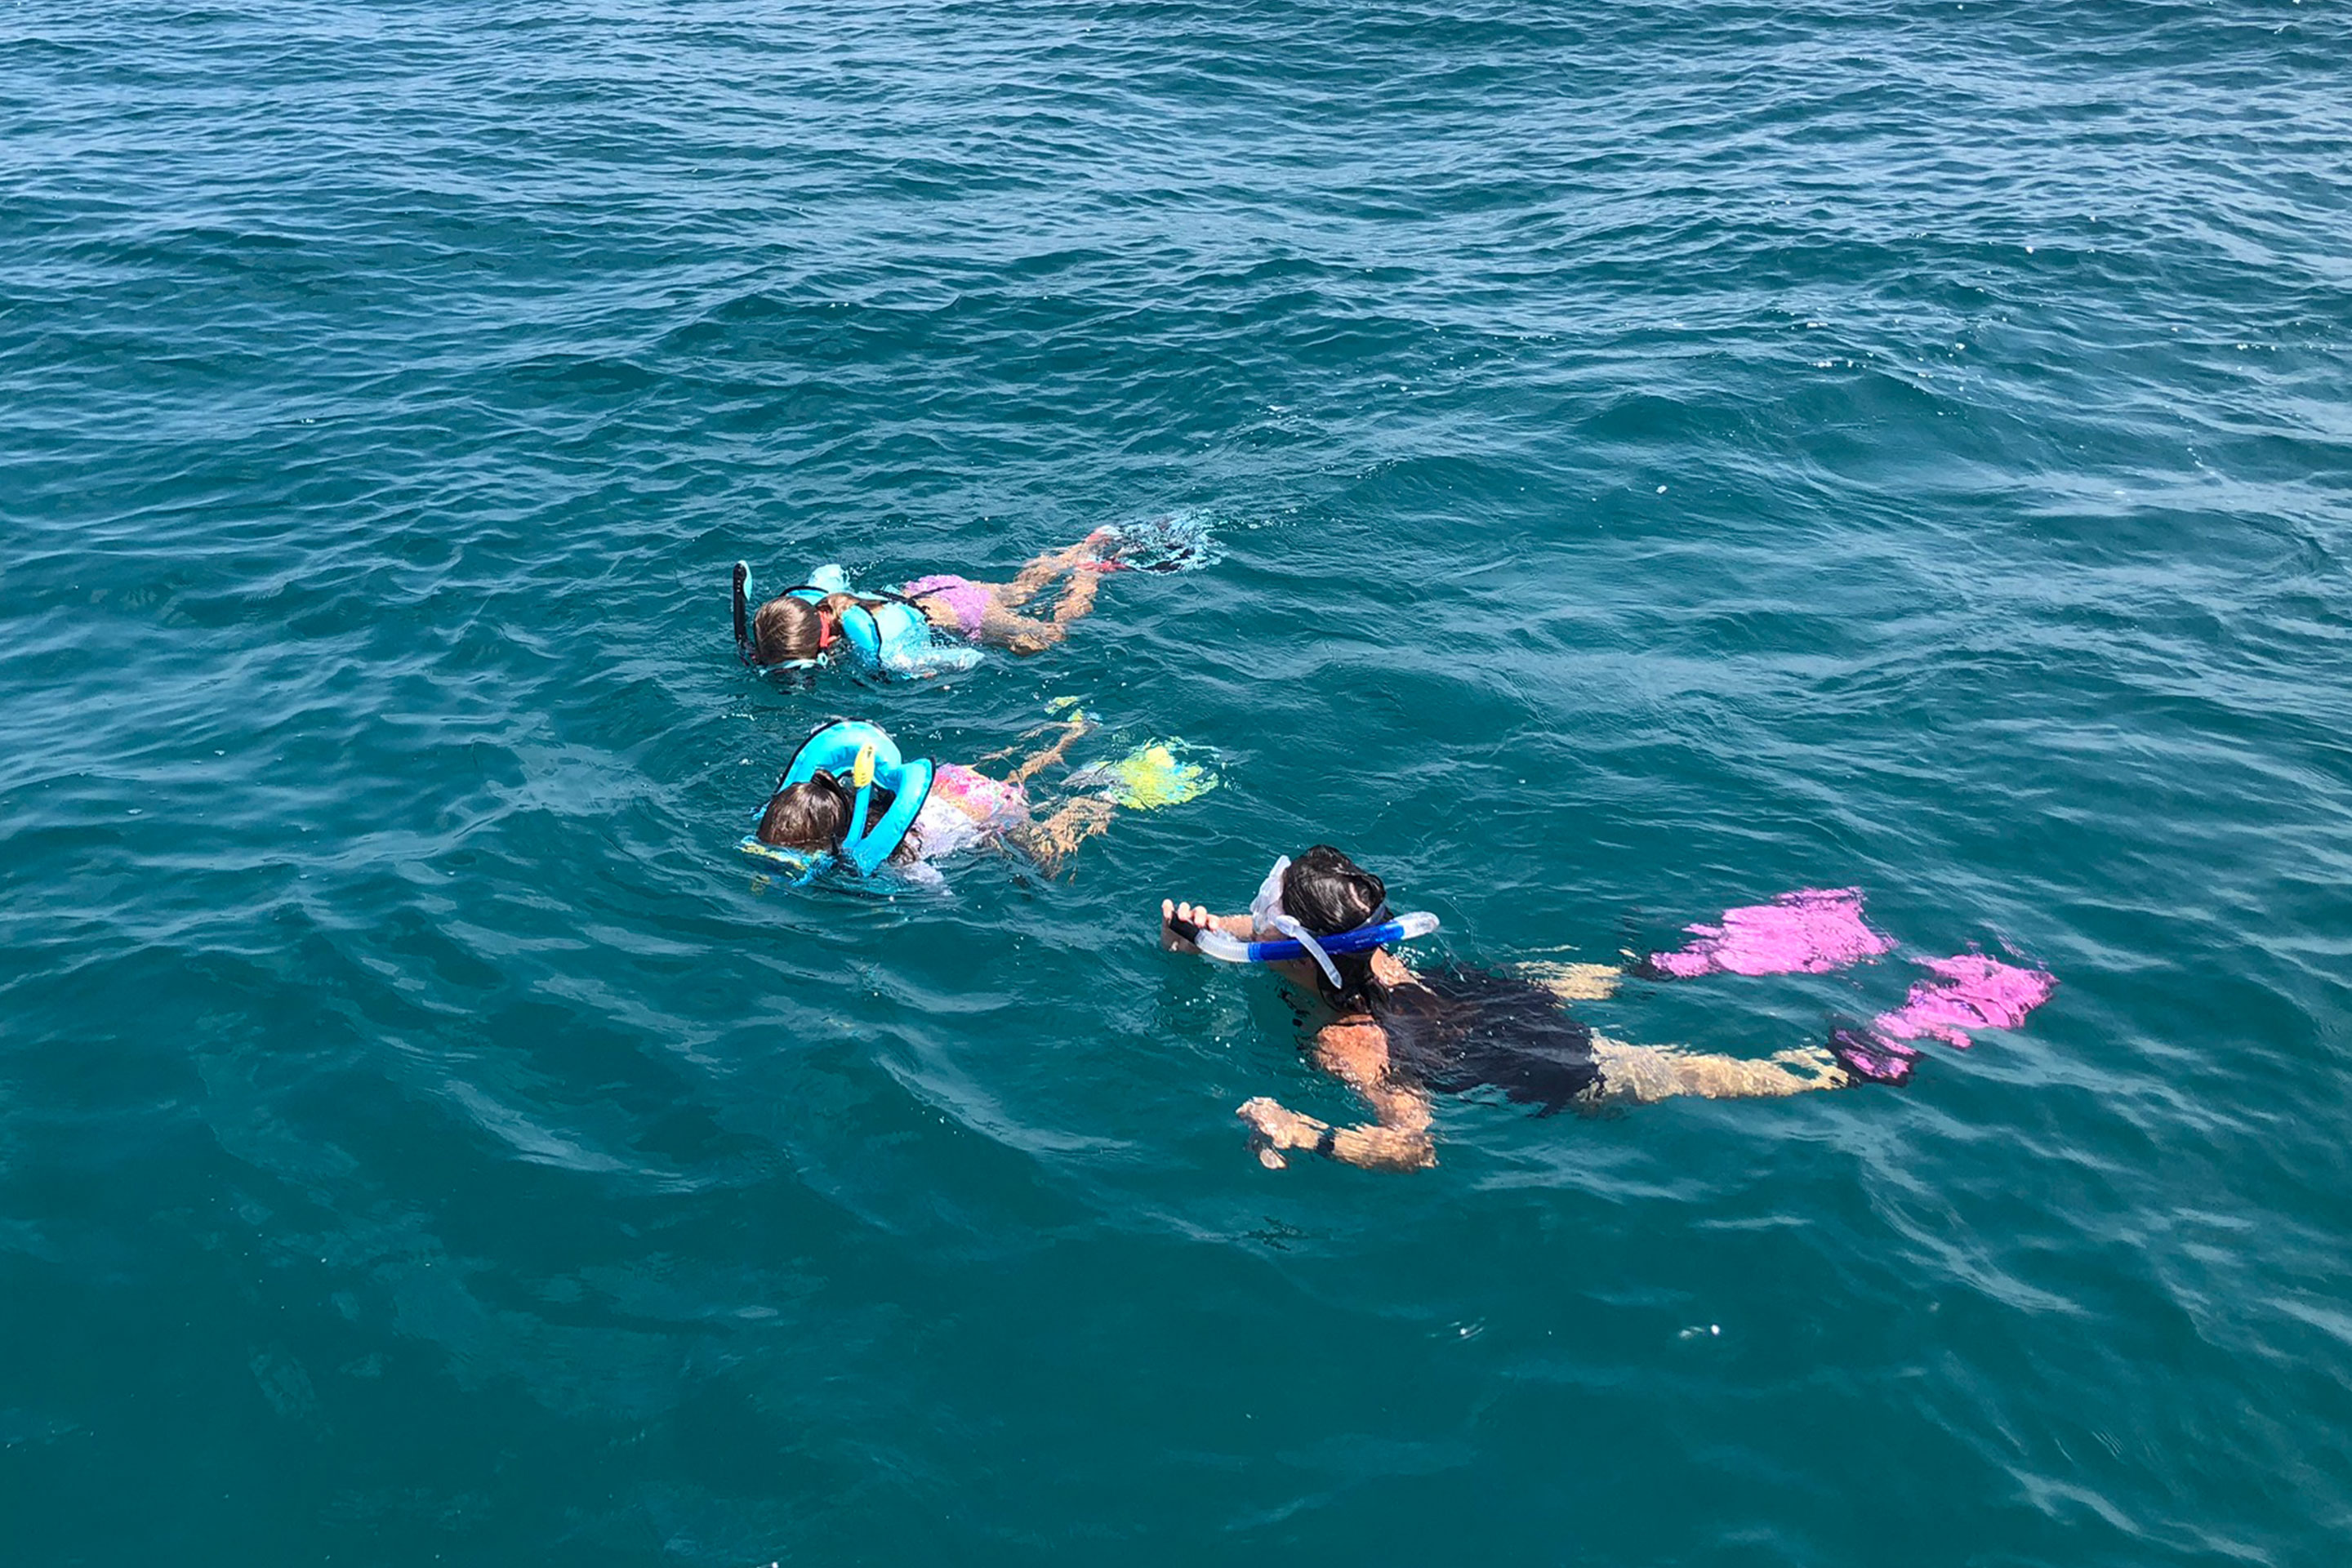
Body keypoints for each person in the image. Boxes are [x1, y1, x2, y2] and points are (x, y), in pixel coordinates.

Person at [1158, 846, 1874, 1173]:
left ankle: (1841, 1075)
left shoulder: (1345, 1043)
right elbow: (1276, 935)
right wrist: (1195, 932)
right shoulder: (1365, 951)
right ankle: (1659, 968)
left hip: (1524, 1062)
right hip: (1476, 994)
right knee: (1566, 987)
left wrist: (1307, 1132)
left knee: (1666, 1074)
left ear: (1293, 948)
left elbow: (1417, 1148)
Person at [753, 714, 1116, 878]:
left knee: (1052, 849)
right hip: (944, 784)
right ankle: (1070, 728)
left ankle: (1109, 788)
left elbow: (935, 889)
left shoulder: (894, 859)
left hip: (981, 814)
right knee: (1023, 770)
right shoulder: (851, 803)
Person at [742, 534, 1118, 669]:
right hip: (933, 588)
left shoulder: (873, 647)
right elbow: (830, 570)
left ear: (821, 645)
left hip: (964, 615)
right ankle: (1080, 547)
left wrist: (935, 668)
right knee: (1019, 591)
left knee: (1043, 638)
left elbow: (965, 659)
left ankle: (1088, 574)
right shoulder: (825, 597)